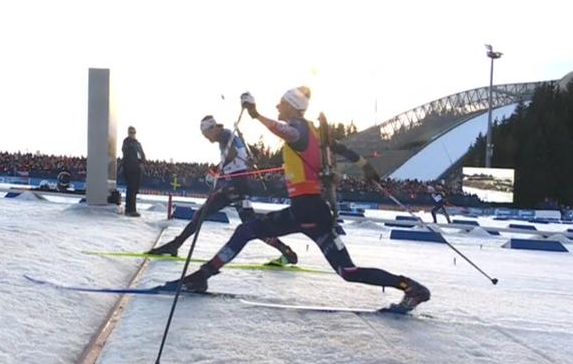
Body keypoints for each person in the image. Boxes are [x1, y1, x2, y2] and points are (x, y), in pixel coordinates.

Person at [167, 87, 430, 313]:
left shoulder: (299, 129)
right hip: (316, 213)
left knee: (246, 230)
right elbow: (344, 150)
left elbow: (288, 134)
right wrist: (365, 167)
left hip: (304, 210)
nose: (277, 106)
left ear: (292, 107)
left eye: (281, 103)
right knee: (348, 272)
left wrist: (256, 115)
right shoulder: (315, 134)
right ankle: (410, 287)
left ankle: (203, 276)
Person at [147, 115, 298, 265]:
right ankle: (285, 250)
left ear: (212, 128)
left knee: (202, 213)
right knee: (250, 223)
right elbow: (237, 157)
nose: (207, 138)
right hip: (240, 185)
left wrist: (217, 170)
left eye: (206, 134)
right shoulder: (226, 135)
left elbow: (231, 154)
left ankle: (176, 244)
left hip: (234, 185)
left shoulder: (224, 135)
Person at [122, 125, 146, 217]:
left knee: (135, 190)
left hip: (137, 170)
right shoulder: (127, 143)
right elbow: (128, 154)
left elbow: (142, 154)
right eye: (131, 132)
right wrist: (136, 163)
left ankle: (133, 208)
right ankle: (129, 209)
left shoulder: (137, 144)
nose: (132, 134)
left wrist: (142, 163)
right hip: (130, 169)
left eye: (134, 132)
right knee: (131, 189)